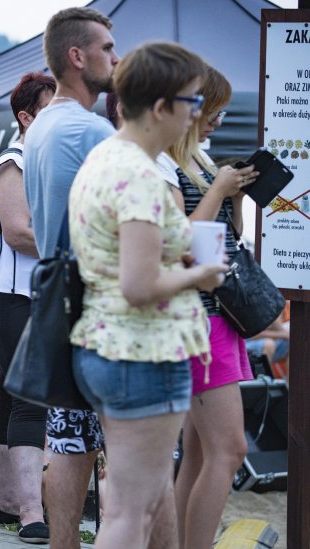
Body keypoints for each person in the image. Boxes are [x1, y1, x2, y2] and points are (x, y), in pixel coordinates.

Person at [68, 41, 226, 547]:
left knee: (140, 503)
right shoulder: (138, 174)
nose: (197, 114)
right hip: (142, 352)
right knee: (129, 515)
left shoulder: (108, 156)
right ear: (160, 107)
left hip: (112, 344)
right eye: (193, 101)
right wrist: (201, 276)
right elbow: (139, 286)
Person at [22, 8, 117, 547]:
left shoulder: (43, 126)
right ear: (77, 56)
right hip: (101, 299)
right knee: (122, 448)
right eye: (107, 48)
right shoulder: (89, 128)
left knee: (70, 441)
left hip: (60, 296)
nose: (116, 58)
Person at [158, 65, 259, 549]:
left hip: (218, 312)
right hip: (198, 317)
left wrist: (236, 198)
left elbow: (227, 238)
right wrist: (218, 189)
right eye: (213, 111)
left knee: (199, 454)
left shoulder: (198, 158)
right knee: (230, 450)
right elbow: (182, 243)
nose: (218, 121)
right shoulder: (167, 165)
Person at [0, 71, 56, 543]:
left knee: (11, 392)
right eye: (51, 109)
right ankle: (31, 513)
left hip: (27, 293)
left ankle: (7, 503)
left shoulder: (42, 162)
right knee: (31, 396)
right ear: (26, 117)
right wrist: (77, 251)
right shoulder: (14, 161)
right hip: (10, 293)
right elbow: (17, 233)